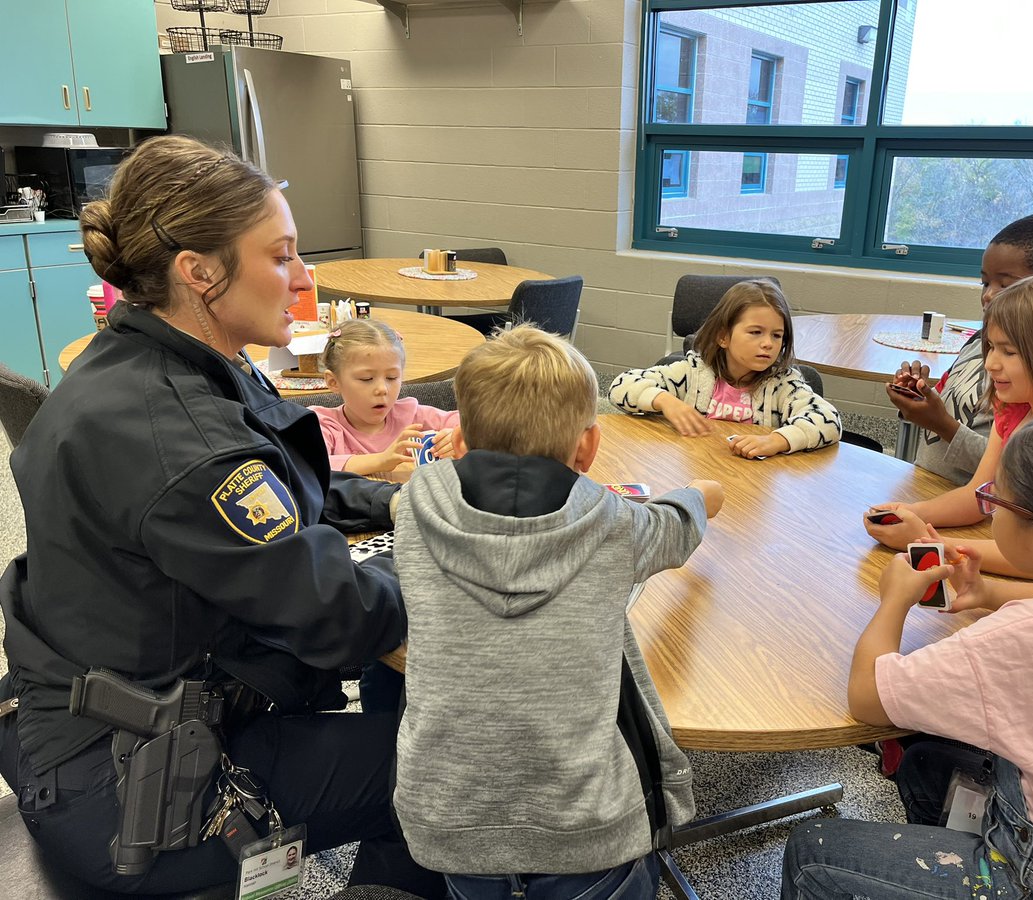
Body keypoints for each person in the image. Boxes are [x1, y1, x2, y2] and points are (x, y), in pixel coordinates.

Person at [0, 136, 442, 897]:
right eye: (281, 256)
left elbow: (280, 487)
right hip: (135, 789)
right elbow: (340, 617)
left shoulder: (160, 362)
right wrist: (473, 576)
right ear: (199, 272)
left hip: (100, 715)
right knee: (459, 763)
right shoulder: (180, 439)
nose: (303, 278)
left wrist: (398, 502)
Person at [783, 403, 1033, 899]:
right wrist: (987, 593)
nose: (991, 506)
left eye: (996, 500)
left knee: (812, 852)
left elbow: (867, 697)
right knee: (926, 764)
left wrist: (893, 600)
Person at [389, 325, 724, 899]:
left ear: (460, 441)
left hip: (448, 819)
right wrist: (700, 493)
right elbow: (677, 526)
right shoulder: (618, 525)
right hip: (588, 829)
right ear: (588, 448)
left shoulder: (415, 512)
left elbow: (404, 497)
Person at [865, 267, 1033, 576]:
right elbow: (978, 496)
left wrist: (929, 544)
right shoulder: (1013, 410)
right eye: (991, 347)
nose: (990, 364)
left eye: (1009, 351)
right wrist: (910, 512)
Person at [888, 213, 1033, 485]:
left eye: (1006, 285)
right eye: (985, 282)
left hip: (973, 502)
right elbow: (948, 399)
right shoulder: (979, 342)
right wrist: (918, 395)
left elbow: (1014, 468)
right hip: (927, 485)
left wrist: (942, 425)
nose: (988, 295)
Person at [608, 279, 842, 458]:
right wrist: (665, 401)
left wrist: (777, 440)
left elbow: (829, 421)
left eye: (777, 335)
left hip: (754, 481)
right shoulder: (694, 373)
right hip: (699, 468)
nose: (768, 343)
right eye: (756, 332)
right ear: (723, 337)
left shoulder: (782, 383)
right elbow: (620, 386)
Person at [313, 318, 459, 477]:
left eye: (391, 377)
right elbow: (309, 466)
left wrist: (456, 437)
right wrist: (382, 460)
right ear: (333, 382)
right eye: (366, 379)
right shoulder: (323, 425)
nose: (382, 389)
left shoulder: (412, 415)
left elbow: (473, 425)